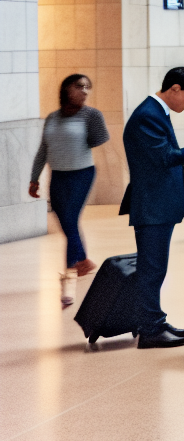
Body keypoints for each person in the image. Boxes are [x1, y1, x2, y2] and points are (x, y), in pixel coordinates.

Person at [121, 67, 184, 348]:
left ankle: (155, 321)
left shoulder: (156, 112)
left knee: (155, 267)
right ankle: (151, 329)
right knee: (152, 268)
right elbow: (164, 158)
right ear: (175, 89)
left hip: (159, 204)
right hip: (152, 205)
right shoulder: (148, 115)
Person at [29, 74, 110, 308]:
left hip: (81, 174)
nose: (84, 91)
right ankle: (82, 260)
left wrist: (94, 127)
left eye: (88, 87)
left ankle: (70, 276)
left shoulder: (91, 115)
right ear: (66, 89)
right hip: (58, 176)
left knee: (71, 220)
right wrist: (34, 179)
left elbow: (100, 139)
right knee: (64, 221)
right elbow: (43, 149)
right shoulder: (53, 118)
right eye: (79, 86)